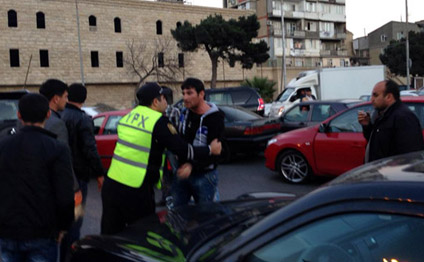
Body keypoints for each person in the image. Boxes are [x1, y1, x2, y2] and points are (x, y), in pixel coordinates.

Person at [101, 82, 221, 235]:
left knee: (111, 235)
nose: (167, 102)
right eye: (164, 98)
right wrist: (211, 149)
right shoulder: (158, 121)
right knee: (144, 235)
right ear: (155, 101)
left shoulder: (129, 116)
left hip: (111, 184)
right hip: (136, 189)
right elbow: (183, 150)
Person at [0, 94, 74, 262]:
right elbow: (64, 196)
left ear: (19, 115)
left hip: (7, 231)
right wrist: (63, 227)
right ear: (48, 114)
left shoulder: (3, 146)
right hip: (42, 233)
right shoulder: (57, 149)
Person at [60, 83, 104, 261]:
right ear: (84, 98)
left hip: (62, 174)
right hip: (78, 177)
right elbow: (89, 149)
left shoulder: (59, 115)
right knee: (75, 222)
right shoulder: (82, 119)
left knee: (63, 222)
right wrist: (100, 173)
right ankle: (70, 257)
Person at [173, 77, 225, 207]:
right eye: (183, 93)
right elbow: (181, 142)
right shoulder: (185, 114)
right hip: (182, 173)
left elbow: (216, 152)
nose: (185, 97)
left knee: (207, 215)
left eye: (189, 93)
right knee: (178, 212)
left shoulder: (215, 118)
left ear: (201, 94)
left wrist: (192, 166)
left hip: (204, 176)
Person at [358, 80, 424, 163]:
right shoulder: (382, 115)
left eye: (376, 95)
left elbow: (410, 154)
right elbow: (378, 144)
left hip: (392, 173)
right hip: (378, 170)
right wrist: (367, 126)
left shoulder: (403, 117)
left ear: (388, 97)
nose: (372, 99)